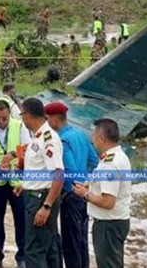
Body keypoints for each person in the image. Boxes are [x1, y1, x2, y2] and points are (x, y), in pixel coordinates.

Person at [73, 118, 131, 268]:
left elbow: (108, 202)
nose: (92, 140)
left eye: (94, 136)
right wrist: (89, 185)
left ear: (101, 138)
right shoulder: (115, 156)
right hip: (113, 222)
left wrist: (85, 194)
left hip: (109, 224)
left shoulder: (111, 164)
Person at [46, 102, 98, 268]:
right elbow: (94, 161)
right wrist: (87, 184)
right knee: (82, 241)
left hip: (71, 196)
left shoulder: (62, 140)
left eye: (47, 119)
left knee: (71, 244)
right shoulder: (81, 135)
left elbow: (69, 171)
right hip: (83, 195)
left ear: (54, 119)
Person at [0, 97, 31, 268]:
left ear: (9, 114)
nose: (1, 122)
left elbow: (28, 147)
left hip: (16, 183)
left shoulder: (19, 126)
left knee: (21, 220)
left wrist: (12, 154)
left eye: (4, 118)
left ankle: (22, 257)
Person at [20, 97, 63, 268]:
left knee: (34, 250)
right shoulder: (37, 137)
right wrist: (24, 184)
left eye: (22, 113)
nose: (21, 118)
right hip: (35, 195)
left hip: (41, 199)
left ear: (28, 114)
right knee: (49, 248)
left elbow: (58, 174)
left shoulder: (48, 138)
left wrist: (47, 205)